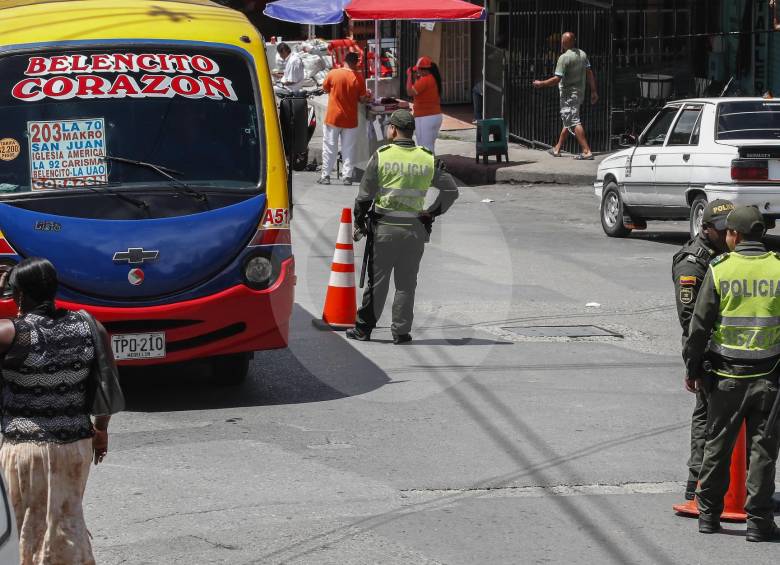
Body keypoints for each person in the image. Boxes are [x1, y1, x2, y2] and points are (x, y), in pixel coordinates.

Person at [0, 258, 114, 563]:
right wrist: (101, 430)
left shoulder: (11, 333)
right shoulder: (91, 327)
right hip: (76, 447)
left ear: (19, 295)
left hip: (27, 450)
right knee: (66, 520)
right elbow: (106, 387)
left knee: (24, 528)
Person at [684, 206, 780, 541]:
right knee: (763, 452)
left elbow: (699, 326)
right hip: (769, 378)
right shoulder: (779, 269)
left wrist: (692, 368)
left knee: (717, 446)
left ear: (735, 236)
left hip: (725, 379)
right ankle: (759, 522)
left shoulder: (721, 269)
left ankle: (708, 516)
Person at [346, 109, 459, 344]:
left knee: (377, 283)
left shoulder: (382, 155)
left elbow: (364, 196)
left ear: (394, 130)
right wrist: (431, 213)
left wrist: (359, 220)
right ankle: (401, 332)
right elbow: (450, 191)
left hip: (384, 229)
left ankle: (364, 329)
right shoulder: (427, 158)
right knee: (406, 283)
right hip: (414, 231)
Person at [672, 199, 734, 501]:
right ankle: (697, 482)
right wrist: (695, 364)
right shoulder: (692, 263)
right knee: (707, 418)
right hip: (708, 352)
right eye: (722, 230)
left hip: (728, 350)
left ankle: (720, 485)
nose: (728, 235)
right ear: (706, 229)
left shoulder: (726, 256)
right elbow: (690, 319)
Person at [532, 32, 598, 160]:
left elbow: (557, 79)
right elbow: (589, 74)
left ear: (563, 42)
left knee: (573, 121)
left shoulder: (564, 58)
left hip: (568, 95)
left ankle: (586, 151)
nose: (561, 42)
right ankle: (557, 148)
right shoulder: (582, 54)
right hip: (579, 93)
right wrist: (594, 91)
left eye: (562, 40)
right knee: (568, 120)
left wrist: (541, 83)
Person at [318, 52, 371, 186]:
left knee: (330, 147)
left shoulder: (333, 73)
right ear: (356, 63)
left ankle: (326, 176)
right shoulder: (358, 77)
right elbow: (362, 99)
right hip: (350, 119)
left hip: (333, 117)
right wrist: (368, 96)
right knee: (349, 148)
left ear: (344, 60)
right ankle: (347, 177)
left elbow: (325, 88)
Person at [405, 56, 443, 153]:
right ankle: (432, 166)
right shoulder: (433, 78)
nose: (417, 71)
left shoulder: (425, 80)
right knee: (430, 146)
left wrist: (409, 75)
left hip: (425, 117)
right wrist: (417, 77)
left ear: (423, 70)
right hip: (435, 116)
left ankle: (428, 167)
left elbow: (410, 92)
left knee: (424, 148)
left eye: (418, 70)